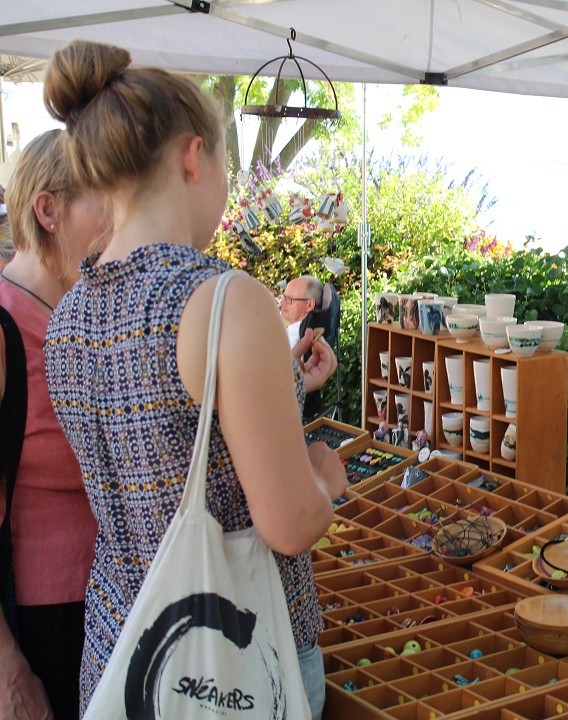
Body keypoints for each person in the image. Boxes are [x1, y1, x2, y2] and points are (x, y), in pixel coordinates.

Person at [40, 40, 347, 717]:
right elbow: (291, 524)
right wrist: (324, 480)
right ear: (192, 156)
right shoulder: (224, 298)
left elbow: (163, 437)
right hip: (230, 665)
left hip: (120, 655)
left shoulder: (68, 315)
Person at [0, 130, 108, 720]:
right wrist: (6, 662)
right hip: (42, 621)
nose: (119, 220)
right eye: (104, 201)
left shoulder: (78, 314)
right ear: (49, 210)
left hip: (101, 605)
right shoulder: (5, 323)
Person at [280, 274, 323, 347]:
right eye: (283, 297)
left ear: (309, 305)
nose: (281, 303)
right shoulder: (299, 330)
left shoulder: (295, 341)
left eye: (289, 299)